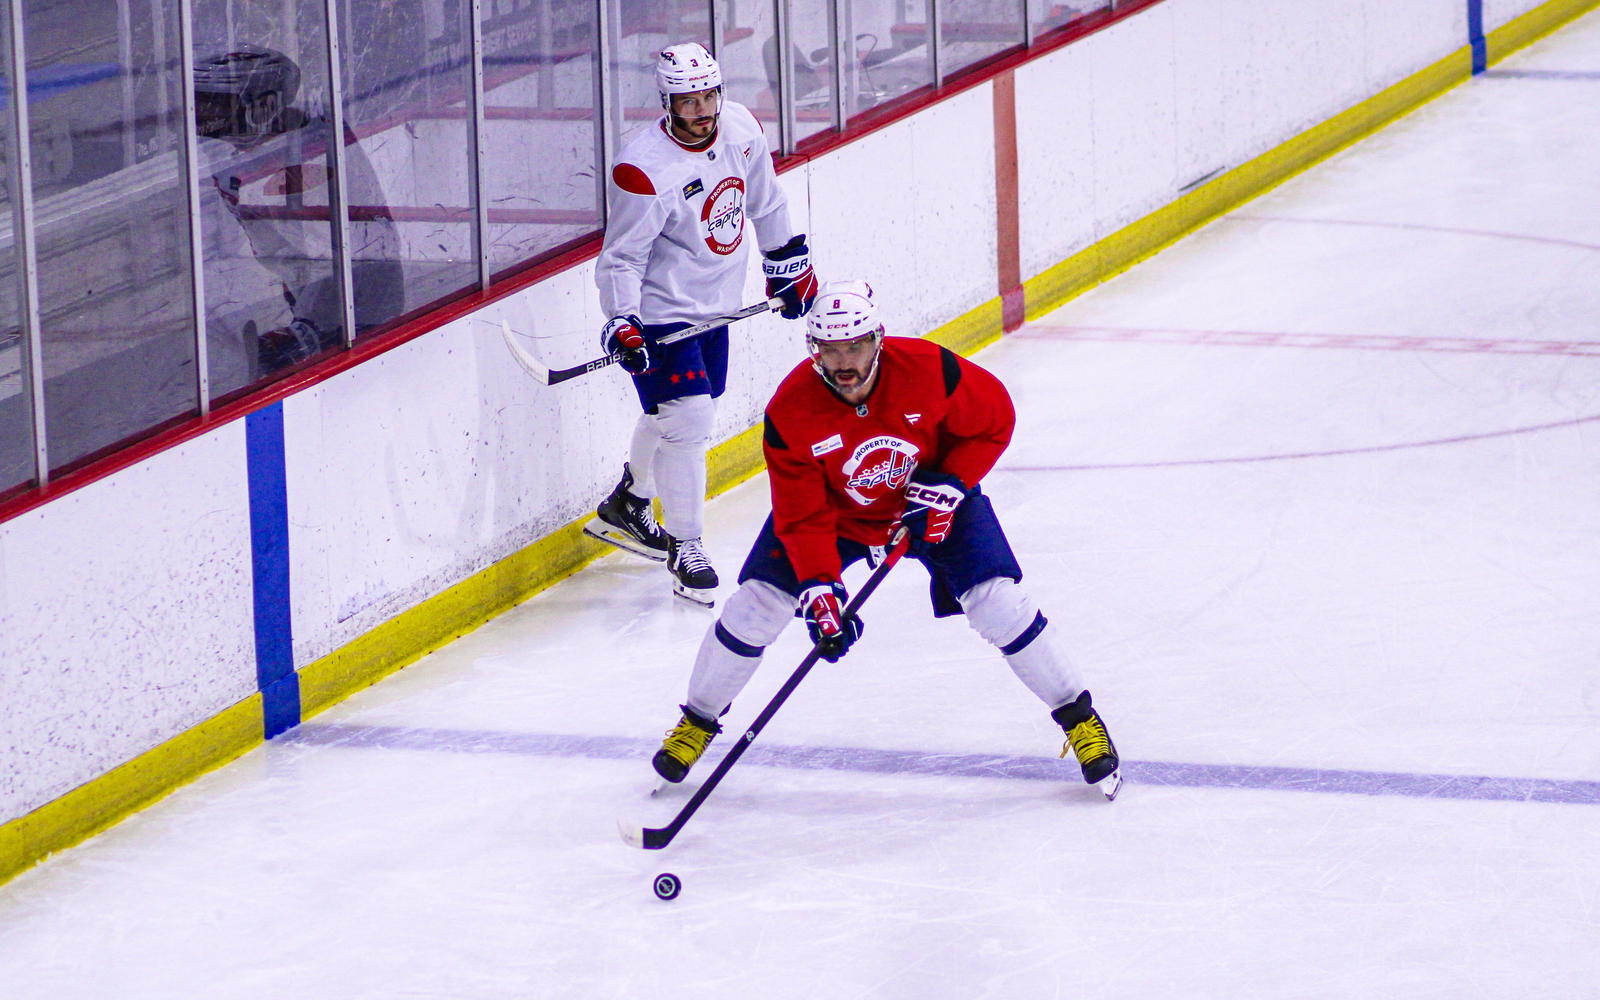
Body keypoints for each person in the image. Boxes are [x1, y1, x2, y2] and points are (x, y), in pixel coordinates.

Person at [648, 279, 1122, 797]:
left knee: (998, 604)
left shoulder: (928, 370)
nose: (844, 362)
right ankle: (697, 721)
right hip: (836, 516)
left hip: (933, 502)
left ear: (878, 339)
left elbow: (994, 420)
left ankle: (1079, 718)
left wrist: (952, 484)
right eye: (831, 349)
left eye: (855, 346)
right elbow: (802, 515)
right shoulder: (791, 411)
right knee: (754, 607)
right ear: (815, 350)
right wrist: (820, 591)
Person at [589, 42, 818, 607]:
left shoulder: (741, 128)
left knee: (670, 414)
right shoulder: (642, 168)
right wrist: (623, 320)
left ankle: (630, 502)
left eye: (708, 96)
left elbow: (764, 203)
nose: (701, 110)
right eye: (687, 101)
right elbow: (621, 258)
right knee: (690, 420)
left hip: (716, 305)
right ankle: (685, 546)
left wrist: (787, 264)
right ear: (667, 102)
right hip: (663, 314)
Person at [193, 46, 404, 389]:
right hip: (324, 293)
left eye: (216, 107)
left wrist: (305, 331)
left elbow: (335, 264)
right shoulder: (263, 146)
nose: (203, 120)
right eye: (202, 105)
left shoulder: (306, 159)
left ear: (264, 107)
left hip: (358, 300)